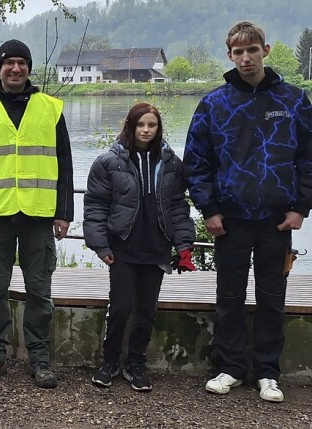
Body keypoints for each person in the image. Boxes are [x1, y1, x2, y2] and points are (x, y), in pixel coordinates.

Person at [184, 21, 312, 403]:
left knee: (271, 297)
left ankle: (267, 373)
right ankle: (229, 368)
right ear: (229, 56)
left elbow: (311, 159)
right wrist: (209, 209)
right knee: (228, 297)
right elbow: (196, 162)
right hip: (229, 220)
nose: (246, 58)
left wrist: (301, 208)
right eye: (238, 52)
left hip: (277, 220)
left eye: (253, 50)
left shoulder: (293, 100)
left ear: (266, 50)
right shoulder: (214, 103)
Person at [0, 39, 74, 388]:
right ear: (0, 67)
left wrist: (63, 212)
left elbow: (64, 166)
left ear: (29, 68)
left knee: (39, 290)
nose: (16, 69)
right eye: (10, 63)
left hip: (38, 215)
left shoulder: (51, 108)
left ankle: (39, 357)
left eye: (22, 63)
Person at [83, 103, 196, 392]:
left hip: (156, 247)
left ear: (159, 128)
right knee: (120, 308)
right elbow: (96, 206)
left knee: (146, 310)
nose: (146, 130)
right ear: (130, 127)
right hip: (123, 248)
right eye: (140, 125)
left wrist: (184, 245)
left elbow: (178, 206)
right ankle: (109, 361)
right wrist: (100, 244)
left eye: (152, 125)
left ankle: (136, 362)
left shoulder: (172, 163)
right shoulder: (108, 162)